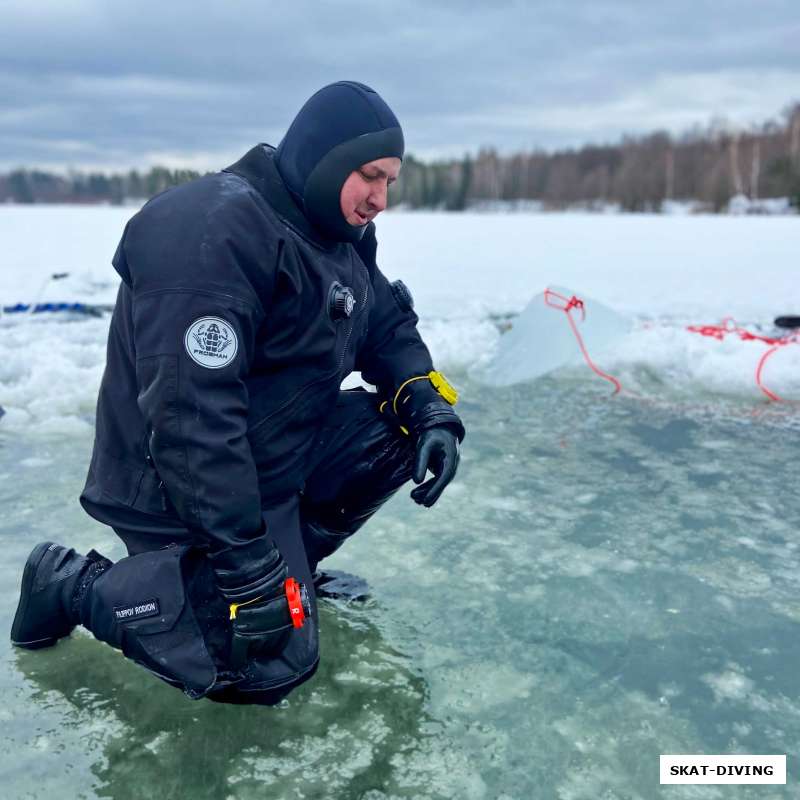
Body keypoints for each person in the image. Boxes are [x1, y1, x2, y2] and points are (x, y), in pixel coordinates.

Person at [10, 82, 465, 705]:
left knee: (398, 432)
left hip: (264, 464)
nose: (381, 199)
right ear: (325, 159)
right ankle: (74, 585)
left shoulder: (340, 235)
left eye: (391, 180)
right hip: (173, 484)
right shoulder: (213, 229)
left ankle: (290, 564)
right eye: (369, 176)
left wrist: (428, 401)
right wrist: (246, 567)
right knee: (267, 665)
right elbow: (189, 420)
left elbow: (384, 324)